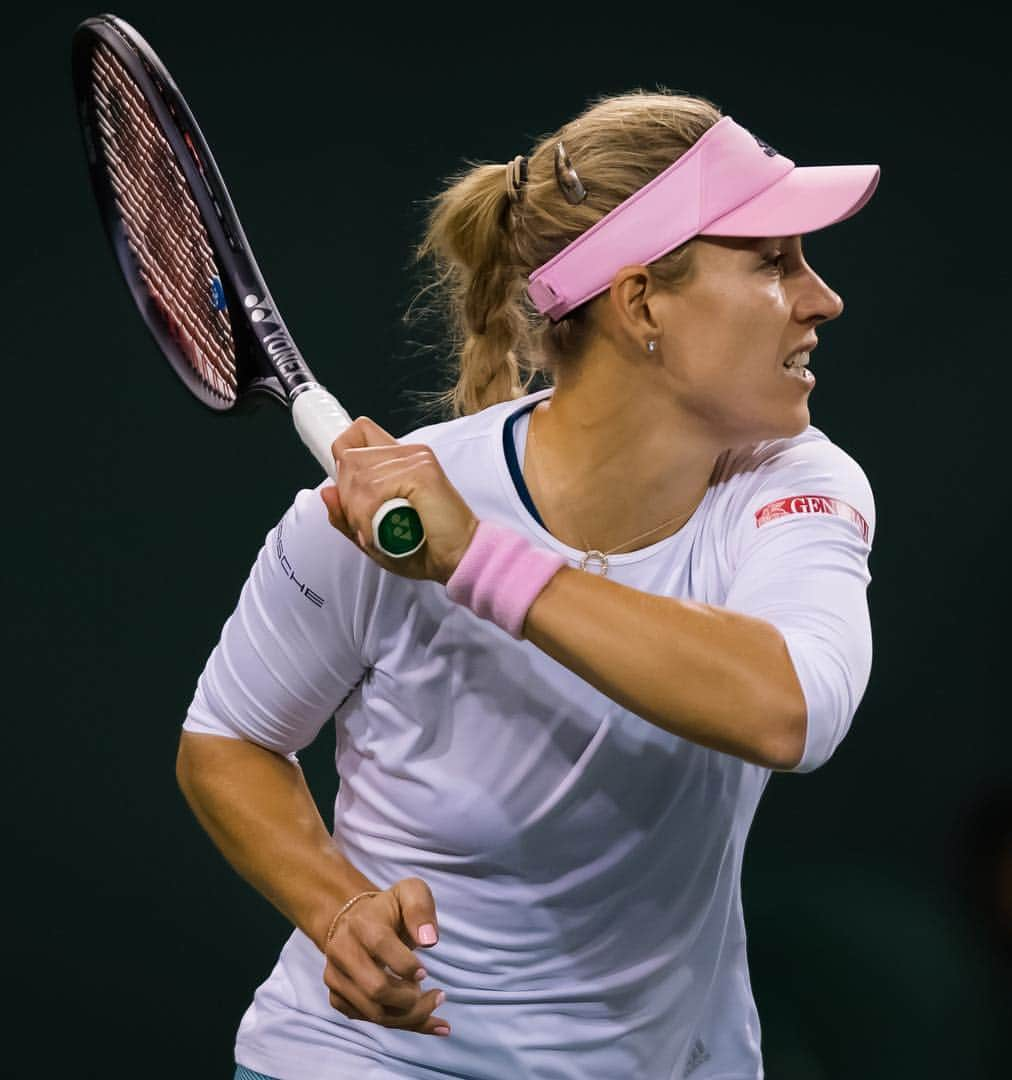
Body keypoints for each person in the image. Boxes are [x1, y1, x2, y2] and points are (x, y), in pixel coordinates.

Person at [176, 89, 881, 1080]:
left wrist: (479, 560)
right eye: (772, 260)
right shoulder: (362, 523)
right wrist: (333, 905)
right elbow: (229, 740)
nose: (821, 297)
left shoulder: (796, 485)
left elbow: (789, 710)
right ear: (641, 303)